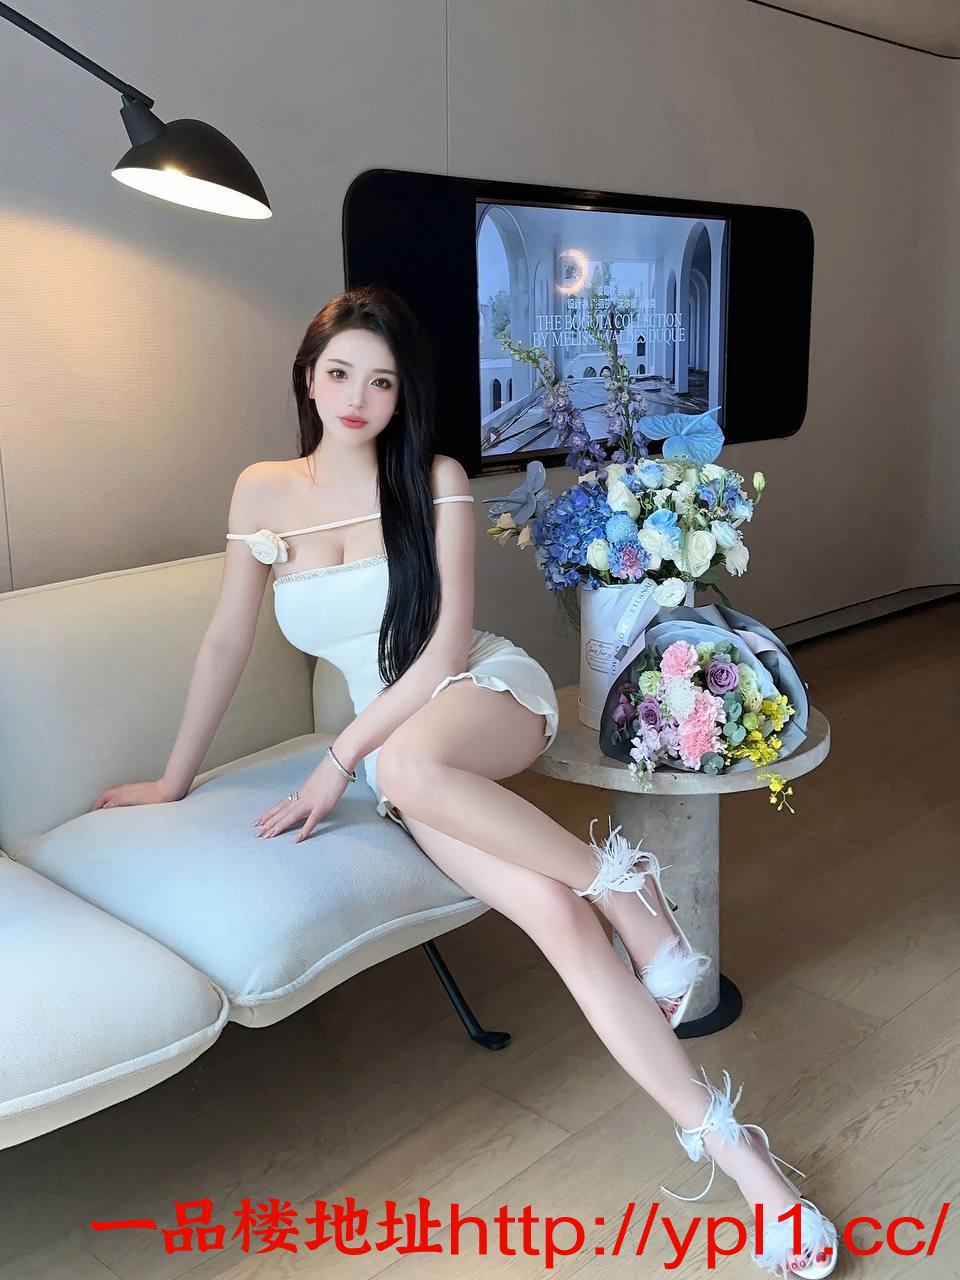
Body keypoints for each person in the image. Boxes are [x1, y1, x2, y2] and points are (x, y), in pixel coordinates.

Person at [90, 285, 837, 1277]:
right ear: (307, 378)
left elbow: (442, 651)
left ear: (405, 393)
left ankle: (626, 887)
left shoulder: (433, 476)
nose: (358, 397)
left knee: (409, 761)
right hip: (400, 748)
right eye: (339, 373)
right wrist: (172, 779)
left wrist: (340, 762)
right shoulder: (261, 491)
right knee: (552, 916)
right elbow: (226, 640)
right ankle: (749, 1168)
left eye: (382, 381)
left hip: (477, 691)